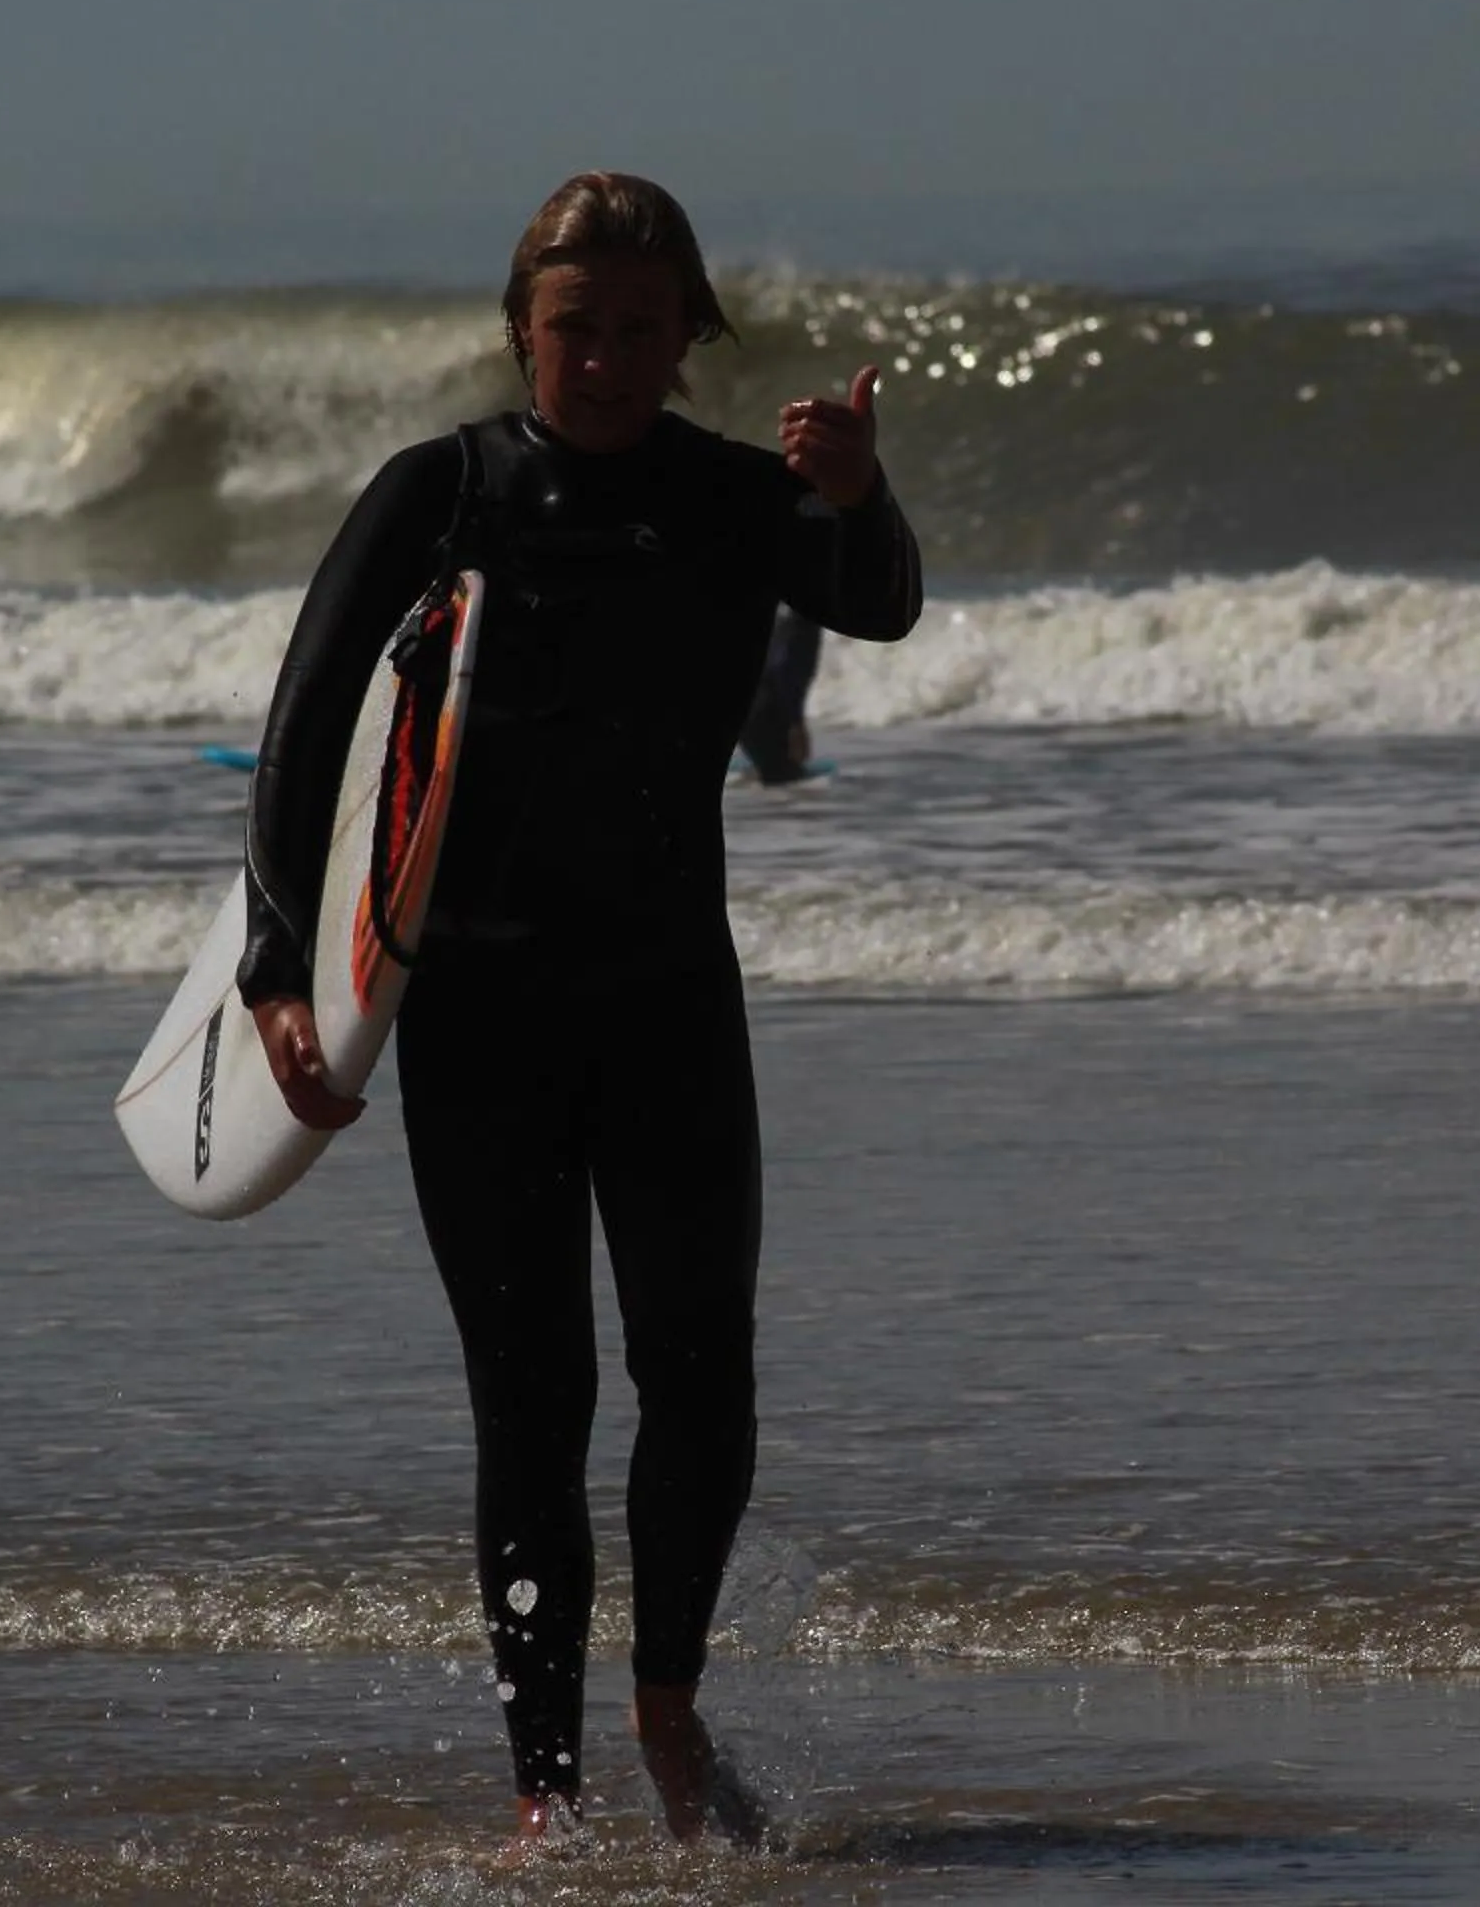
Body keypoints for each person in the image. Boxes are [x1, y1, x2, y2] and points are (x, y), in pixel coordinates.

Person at [232, 171, 921, 1845]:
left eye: (638, 328)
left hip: (671, 999)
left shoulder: (744, 499)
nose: (606, 360)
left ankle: (668, 1713)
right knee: (531, 1402)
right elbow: (309, 727)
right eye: (574, 330)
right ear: (519, 332)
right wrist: (276, 974)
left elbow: (878, 602)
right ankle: (546, 1792)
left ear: (692, 333)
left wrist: (858, 495)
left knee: (706, 1379)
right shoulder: (446, 490)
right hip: (477, 1008)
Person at [736, 604, 826, 784]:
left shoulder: (782, 621)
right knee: (788, 782)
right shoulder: (804, 629)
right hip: (764, 715)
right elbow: (785, 674)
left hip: (750, 715)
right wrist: (796, 725)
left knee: (776, 780)